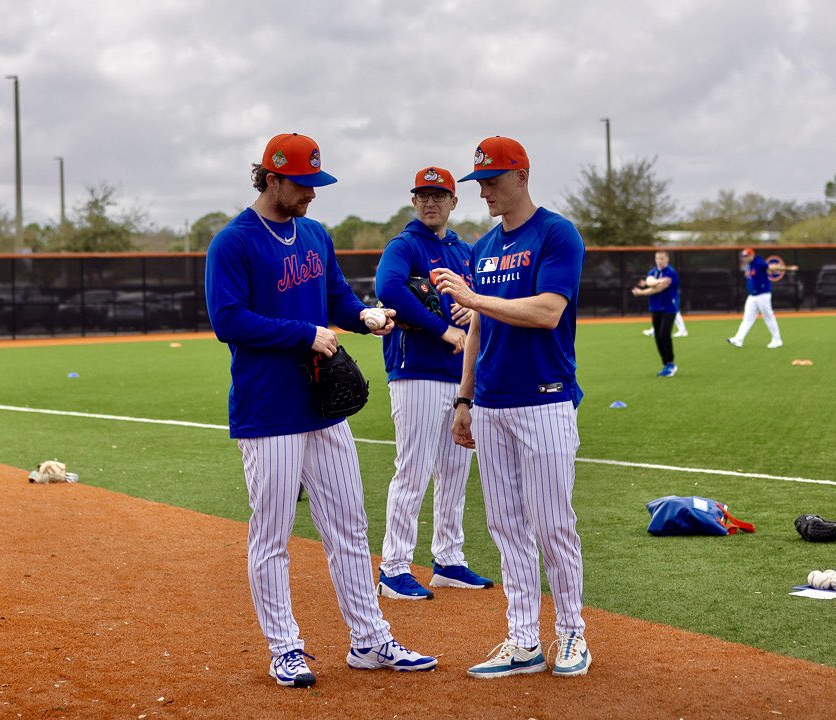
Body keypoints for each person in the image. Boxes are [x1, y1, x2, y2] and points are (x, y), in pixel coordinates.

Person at [205, 132, 437, 689]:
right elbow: (227, 320)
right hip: (268, 411)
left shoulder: (314, 234)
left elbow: (337, 298)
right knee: (272, 535)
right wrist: (304, 333)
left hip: (323, 407)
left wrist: (367, 316)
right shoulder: (233, 242)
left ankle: (369, 640)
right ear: (272, 178)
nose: (312, 193)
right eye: (303, 183)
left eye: (316, 182)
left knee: (349, 529)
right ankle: (284, 648)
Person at [433, 135, 591, 679]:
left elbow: (548, 311)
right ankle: (523, 639)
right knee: (505, 526)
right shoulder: (483, 248)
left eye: (493, 180)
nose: (485, 192)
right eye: (479, 182)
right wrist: (464, 398)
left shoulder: (556, 233)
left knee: (552, 525)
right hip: (492, 404)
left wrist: (474, 298)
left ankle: (571, 632)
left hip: (545, 400)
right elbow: (477, 328)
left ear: (522, 175)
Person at [373, 166, 493, 601]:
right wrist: (443, 328)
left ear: (453, 202)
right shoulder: (404, 245)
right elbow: (389, 288)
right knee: (413, 470)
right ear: (413, 201)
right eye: (423, 195)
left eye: (439, 195)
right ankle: (393, 567)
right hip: (416, 372)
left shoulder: (465, 250)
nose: (430, 202)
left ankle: (448, 560)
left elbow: (484, 298)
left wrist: (473, 308)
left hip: (460, 378)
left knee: (455, 473)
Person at [726, 248, 798, 349]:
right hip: (752, 296)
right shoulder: (750, 265)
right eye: (744, 256)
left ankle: (777, 340)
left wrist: (789, 268)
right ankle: (738, 339)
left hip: (762, 294)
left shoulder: (759, 262)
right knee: (747, 319)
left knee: (768, 317)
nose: (745, 258)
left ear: (752, 255)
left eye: (746, 256)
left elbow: (772, 267)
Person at [631, 251, 680, 377]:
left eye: (662, 258)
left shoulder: (671, 272)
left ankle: (671, 363)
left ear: (667, 259)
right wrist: (656, 281)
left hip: (669, 308)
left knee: (664, 335)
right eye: (657, 258)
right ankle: (666, 364)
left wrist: (642, 291)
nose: (659, 261)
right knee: (658, 337)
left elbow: (659, 288)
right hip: (655, 307)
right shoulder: (652, 271)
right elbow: (650, 281)